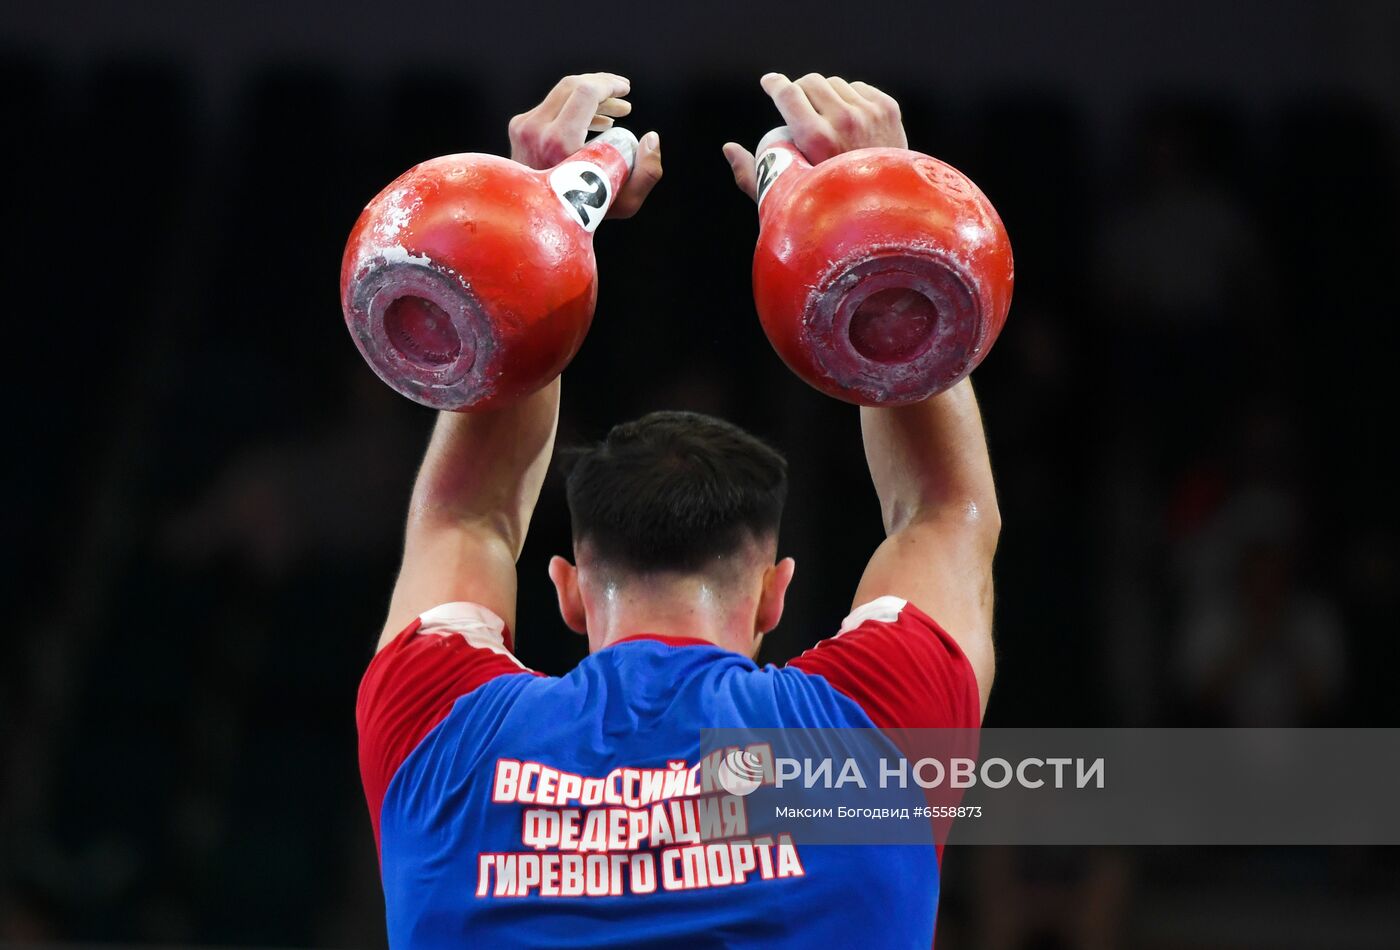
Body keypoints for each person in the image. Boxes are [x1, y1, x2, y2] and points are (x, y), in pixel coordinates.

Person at [356, 71, 999, 947]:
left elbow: (466, 517)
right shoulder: (866, 730)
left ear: (568, 589)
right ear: (775, 595)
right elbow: (942, 510)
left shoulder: (440, 730)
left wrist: (521, 233)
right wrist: (883, 213)